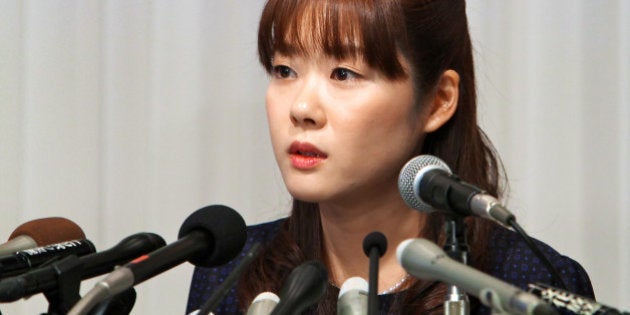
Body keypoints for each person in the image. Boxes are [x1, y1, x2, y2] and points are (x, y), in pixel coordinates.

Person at [187, 0, 594, 314]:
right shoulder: (232, 271)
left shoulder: (522, 283)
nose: (301, 108)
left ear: (437, 101)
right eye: (283, 70)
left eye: (343, 73)